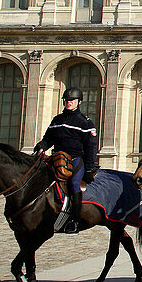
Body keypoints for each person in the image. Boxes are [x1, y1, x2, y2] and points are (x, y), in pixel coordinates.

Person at [34, 87, 98, 234]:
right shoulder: (57, 120)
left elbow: (90, 147)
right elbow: (48, 139)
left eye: (72, 100)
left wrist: (89, 168)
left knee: (74, 183)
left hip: (75, 160)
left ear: (79, 102)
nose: (69, 103)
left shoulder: (85, 123)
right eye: (67, 100)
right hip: (57, 157)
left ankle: (75, 220)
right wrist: (41, 146)